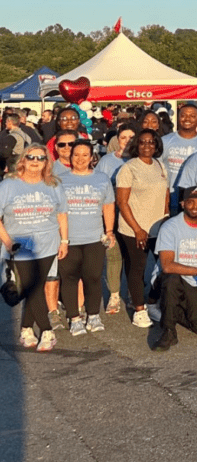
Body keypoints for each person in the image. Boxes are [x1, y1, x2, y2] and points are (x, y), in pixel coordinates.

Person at [0, 144, 69, 352]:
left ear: (46, 162)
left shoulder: (53, 184)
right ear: (23, 159)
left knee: (36, 288)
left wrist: (64, 241)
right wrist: (8, 242)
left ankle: (26, 328)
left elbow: (62, 214)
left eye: (40, 158)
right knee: (31, 288)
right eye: (31, 157)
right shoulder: (8, 184)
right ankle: (47, 330)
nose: (35, 162)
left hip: (48, 243)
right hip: (20, 246)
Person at [151, 186, 197, 351]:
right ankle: (168, 332)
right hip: (170, 279)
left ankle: (170, 309)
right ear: (183, 204)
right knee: (172, 280)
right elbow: (167, 266)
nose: (195, 206)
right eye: (190, 202)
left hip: (194, 282)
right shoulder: (170, 227)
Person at [58, 140, 115, 336]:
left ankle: (93, 315)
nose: (80, 159)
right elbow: (57, 212)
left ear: (92, 158)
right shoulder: (60, 180)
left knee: (93, 278)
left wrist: (109, 231)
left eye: (85, 155)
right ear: (70, 157)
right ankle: (74, 318)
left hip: (94, 237)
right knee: (69, 278)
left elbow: (108, 206)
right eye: (76, 155)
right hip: (69, 239)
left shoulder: (102, 179)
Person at [115, 128, 170, 328]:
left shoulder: (160, 165)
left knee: (164, 267)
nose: (147, 146)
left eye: (151, 142)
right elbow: (122, 202)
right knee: (137, 268)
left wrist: (166, 219)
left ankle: (153, 301)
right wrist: (138, 229)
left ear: (157, 145)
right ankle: (138, 309)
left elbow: (165, 195)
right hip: (134, 229)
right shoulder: (129, 168)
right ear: (136, 145)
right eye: (143, 142)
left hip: (158, 228)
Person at [161, 104, 197, 212]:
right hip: (165, 199)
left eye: (192, 116)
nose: (187, 119)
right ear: (178, 117)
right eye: (183, 115)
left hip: (191, 203)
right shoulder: (165, 141)